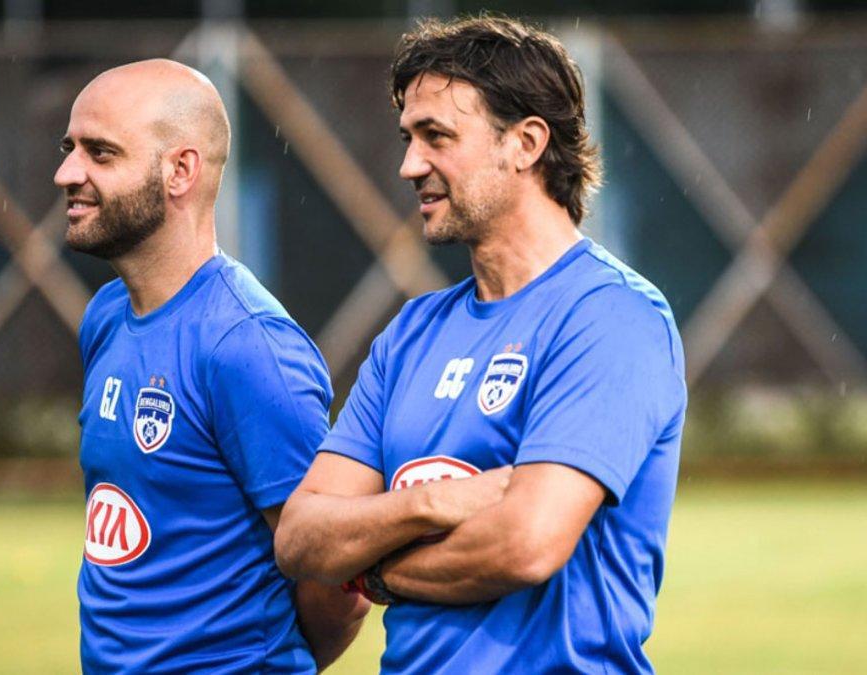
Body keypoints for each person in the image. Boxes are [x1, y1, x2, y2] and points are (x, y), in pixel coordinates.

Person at [274, 16, 688, 674]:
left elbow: (525, 543)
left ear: (525, 143)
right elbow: (299, 536)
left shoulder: (612, 316)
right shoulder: (410, 333)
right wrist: (431, 502)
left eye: (436, 136)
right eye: (408, 138)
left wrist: (374, 572)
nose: (410, 165)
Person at [57, 59, 368, 673]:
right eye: (69, 148)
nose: (67, 172)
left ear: (180, 171)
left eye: (100, 153)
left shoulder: (246, 345)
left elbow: (337, 580)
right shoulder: (107, 314)